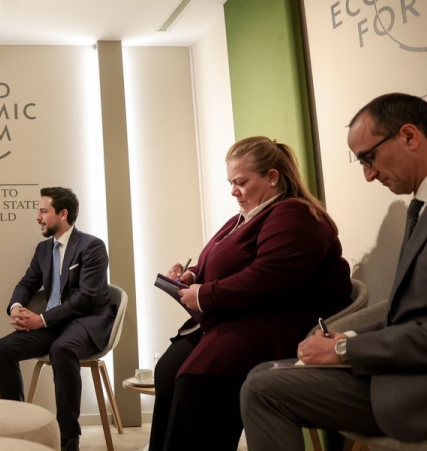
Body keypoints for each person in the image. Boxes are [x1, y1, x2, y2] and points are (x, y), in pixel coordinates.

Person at [241, 93, 427, 449]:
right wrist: (347, 338)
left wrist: (345, 350)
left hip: (413, 389)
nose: (369, 175)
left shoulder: (294, 215)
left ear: (408, 136)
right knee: (262, 374)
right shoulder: (418, 208)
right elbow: (405, 315)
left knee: (262, 387)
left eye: (369, 158)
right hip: (398, 369)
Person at [149, 136, 353, 451]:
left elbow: (268, 279)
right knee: (167, 371)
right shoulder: (245, 216)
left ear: (272, 177)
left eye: (241, 182)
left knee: (197, 382)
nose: (233, 191)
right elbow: (220, 261)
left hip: (274, 325)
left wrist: (203, 295)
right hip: (239, 317)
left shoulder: (294, 215)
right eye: (231, 183)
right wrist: (192, 274)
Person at [0, 187, 116, 451]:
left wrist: (42, 320)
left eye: (43, 211)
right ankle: (16, 428)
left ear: (63, 214)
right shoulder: (43, 249)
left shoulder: (92, 246)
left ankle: (68, 437)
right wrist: (16, 307)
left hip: (87, 321)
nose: (38, 217)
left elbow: (86, 298)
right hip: (55, 323)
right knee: (3, 348)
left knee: (62, 348)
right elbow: (27, 283)